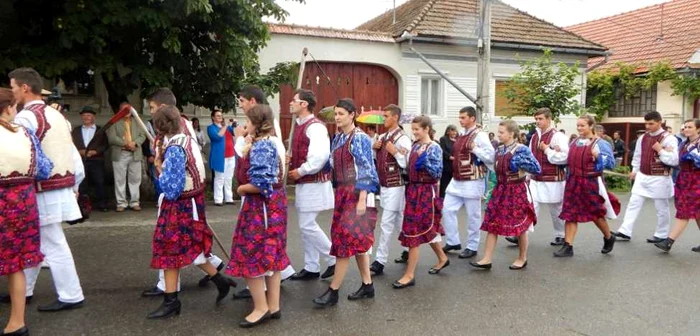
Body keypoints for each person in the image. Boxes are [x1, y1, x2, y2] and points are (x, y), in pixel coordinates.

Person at [8, 67, 86, 312]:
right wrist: (75, 184)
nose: (11, 92)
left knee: (51, 242)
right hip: (58, 186)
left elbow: (22, 157)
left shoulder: (25, 118)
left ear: (24, 88)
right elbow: (73, 156)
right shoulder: (57, 116)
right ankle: (24, 291)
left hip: (41, 189)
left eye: (12, 87)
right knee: (34, 241)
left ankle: (71, 295)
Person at [147, 106, 235, 319]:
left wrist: (159, 167)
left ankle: (171, 302)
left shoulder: (176, 147)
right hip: (190, 203)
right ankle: (220, 281)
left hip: (180, 204)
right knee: (191, 247)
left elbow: (172, 188)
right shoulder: (184, 139)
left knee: (170, 251)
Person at [226, 105, 289, 328]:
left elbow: (262, 184)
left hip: (260, 209)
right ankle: (273, 306)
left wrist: (242, 189)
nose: (246, 125)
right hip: (275, 207)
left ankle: (261, 308)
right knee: (272, 255)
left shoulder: (262, 146)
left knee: (251, 254)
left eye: (248, 121)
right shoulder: (271, 142)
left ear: (257, 123)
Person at [231, 85, 296, 300]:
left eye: (241, 101)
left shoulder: (265, 142)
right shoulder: (263, 140)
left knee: (258, 247)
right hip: (267, 200)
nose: (240, 107)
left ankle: (262, 299)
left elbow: (262, 180)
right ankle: (268, 298)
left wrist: (241, 188)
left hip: (263, 202)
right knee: (269, 247)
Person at [313, 98, 379, 307]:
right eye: (336, 114)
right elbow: (332, 164)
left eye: (341, 113)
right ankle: (368, 285)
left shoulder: (359, 138)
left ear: (352, 115)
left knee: (343, 242)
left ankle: (333, 291)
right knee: (357, 243)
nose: (337, 117)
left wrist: (361, 200)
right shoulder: (339, 138)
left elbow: (367, 169)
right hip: (343, 192)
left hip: (357, 193)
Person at [0, 88, 52, 336]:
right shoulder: (27, 135)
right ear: (9, 108)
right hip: (22, 202)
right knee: (15, 264)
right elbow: (43, 168)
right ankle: (16, 322)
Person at [470, 120, 541, 270]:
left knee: (519, 226)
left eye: (502, 132)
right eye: (499, 132)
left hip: (516, 190)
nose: (499, 135)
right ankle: (487, 259)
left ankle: (522, 258)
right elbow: (494, 167)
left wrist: (520, 162)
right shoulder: (500, 149)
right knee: (492, 223)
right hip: (500, 189)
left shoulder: (521, 149)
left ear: (511, 134)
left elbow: (537, 168)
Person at [392, 116, 449, 288]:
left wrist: (426, 165)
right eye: (413, 129)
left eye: (417, 129)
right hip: (413, 190)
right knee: (425, 229)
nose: (414, 132)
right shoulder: (415, 145)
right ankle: (442, 258)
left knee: (414, 232)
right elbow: (408, 168)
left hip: (426, 191)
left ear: (426, 129)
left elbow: (438, 173)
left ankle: (409, 275)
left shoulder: (434, 148)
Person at [287, 89, 336, 281]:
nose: (291, 103)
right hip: (304, 182)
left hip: (313, 182)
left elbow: (319, 156)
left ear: (304, 104)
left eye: (294, 100)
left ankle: (332, 257)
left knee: (307, 225)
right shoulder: (299, 125)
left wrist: (301, 170)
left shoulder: (315, 127)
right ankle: (312, 266)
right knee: (306, 225)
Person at [554, 115, 618, 257]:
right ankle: (568, 246)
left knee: (596, 214)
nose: (579, 128)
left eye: (582, 125)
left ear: (591, 126)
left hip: (590, 182)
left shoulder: (600, 143)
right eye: (578, 125)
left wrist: (598, 157)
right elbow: (570, 160)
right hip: (573, 181)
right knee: (570, 213)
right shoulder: (575, 142)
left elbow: (611, 164)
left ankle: (608, 236)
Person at [612, 111, 678, 243]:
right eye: (646, 123)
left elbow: (674, 160)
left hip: (660, 177)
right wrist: (635, 170)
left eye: (651, 123)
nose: (647, 126)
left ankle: (661, 234)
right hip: (643, 175)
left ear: (660, 122)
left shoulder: (669, 139)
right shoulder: (643, 138)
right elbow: (637, 156)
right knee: (633, 203)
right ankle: (625, 231)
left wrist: (660, 150)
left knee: (661, 207)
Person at [506, 108, 568, 247]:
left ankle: (561, 235)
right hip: (535, 179)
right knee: (529, 205)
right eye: (536, 119)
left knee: (556, 209)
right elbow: (531, 158)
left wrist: (547, 150)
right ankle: (521, 233)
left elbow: (565, 157)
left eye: (541, 119)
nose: (538, 122)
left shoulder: (558, 136)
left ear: (548, 119)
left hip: (553, 179)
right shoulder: (534, 137)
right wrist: (527, 175)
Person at [441, 106, 495, 259]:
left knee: (473, 215)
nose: (460, 120)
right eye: (460, 117)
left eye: (463, 117)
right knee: (447, 209)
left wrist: (476, 149)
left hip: (473, 179)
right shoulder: (462, 134)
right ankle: (453, 241)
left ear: (472, 118)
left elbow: (491, 156)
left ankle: (472, 246)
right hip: (457, 179)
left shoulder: (480, 135)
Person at [369, 104, 412, 275]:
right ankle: (409, 249)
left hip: (396, 185)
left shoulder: (402, 138)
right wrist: (375, 149)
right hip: (385, 185)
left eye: (386, 116)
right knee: (400, 221)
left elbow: (407, 163)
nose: (383, 119)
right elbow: (378, 160)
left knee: (386, 222)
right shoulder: (383, 136)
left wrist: (395, 152)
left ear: (395, 117)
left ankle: (380, 260)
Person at [654, 119, 700, 252]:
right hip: (684, 179)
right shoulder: (684, 144)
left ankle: (669, 241)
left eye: (690, 127)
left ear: (698, 129)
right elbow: (675, 162)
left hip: (696, 180)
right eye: (685, 127)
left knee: (685, 211)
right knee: (697, 213)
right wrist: (665, 151)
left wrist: (695, 158)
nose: (686, 129)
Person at [106, 103, 146, 212]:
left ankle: (134, 202)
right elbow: (111, 138)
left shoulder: (138, 122)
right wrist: (125, 144)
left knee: (135, 179)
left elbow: (143, 135)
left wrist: (135, 143)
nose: (127, 111)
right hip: (120, 153)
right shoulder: (113, 122)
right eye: (124, 109)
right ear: (120, 111)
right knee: (119, 179)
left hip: (135, 153)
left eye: (129, 109)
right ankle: (121, 203)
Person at [72, 106, 108, 213]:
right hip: (82, 160)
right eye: (84, 116)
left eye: (88, 115)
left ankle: (102, 204)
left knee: (99, 182)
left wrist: (96, 151)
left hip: (96, 160)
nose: (86, 117)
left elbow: (105, 145)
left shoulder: (100, 130)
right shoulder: (76, 130)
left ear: (93, 117)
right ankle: (82, 205)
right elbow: (71, 143)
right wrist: (78, 151)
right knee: (82, 183)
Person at [207, 109, 236, 206]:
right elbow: (218, 137)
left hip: (231, 155)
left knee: (229, 178)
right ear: (213, 117)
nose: (220, 117)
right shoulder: (211, 128)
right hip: (220, 156)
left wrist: (234, 124)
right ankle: (218, 199)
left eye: (221, 115)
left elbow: (235, 133)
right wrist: (225, 126)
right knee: (219, 178)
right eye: (218, 116)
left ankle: (229, 198)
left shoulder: (226, 127)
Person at [438, 125, 458, 199]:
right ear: (448, 131)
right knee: (445, 183)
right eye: (452, 130)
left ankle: (453, 198)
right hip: (446, 165)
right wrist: (450, 157)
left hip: (454, 166)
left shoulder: (457, 140)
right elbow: (442, 151)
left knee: (454, 183)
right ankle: (443, 198)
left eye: (455, 131)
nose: (454, 132)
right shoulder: (443, 139)